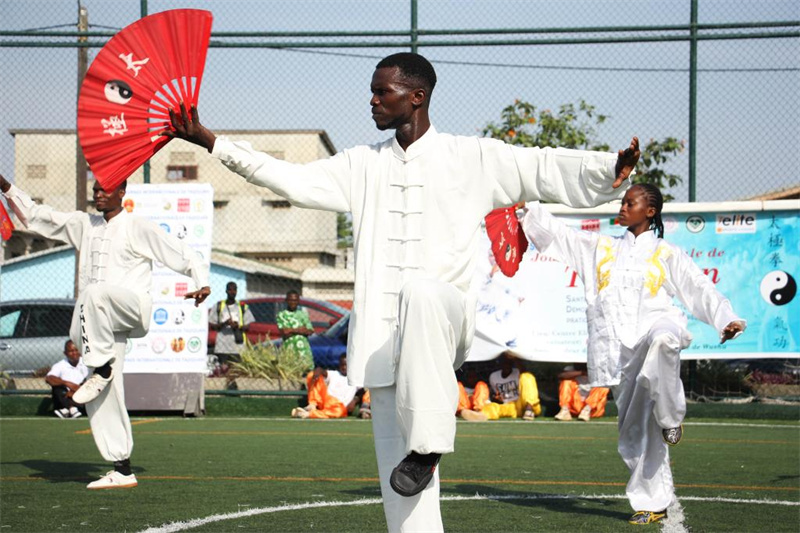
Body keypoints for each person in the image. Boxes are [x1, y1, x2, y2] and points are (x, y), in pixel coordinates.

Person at [164, 52, 639, 531]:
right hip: (382, 346)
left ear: (417, 97)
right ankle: (419, 460)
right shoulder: (361, 164)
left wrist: (606, 171)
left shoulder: (472, 157)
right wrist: (210, 141)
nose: (371, 101)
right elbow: (294, 180)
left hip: (443, 321)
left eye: (381, 91)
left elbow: (540, 167)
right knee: (404, 495)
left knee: (421, 292)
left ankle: (430, 443)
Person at [521, 183, 746, 525]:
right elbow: (560, 235)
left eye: (631, 202)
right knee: (634, 432)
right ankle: (652, 502)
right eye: (623, 202)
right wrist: (528, 207)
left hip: (656, 328)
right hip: (617, 353)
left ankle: (671, 418)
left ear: (650, 211)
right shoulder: (600, 248)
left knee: (664, 340)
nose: (623, 207)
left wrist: (725, 319)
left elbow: (698, 288)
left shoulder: (666, 254)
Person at [0, 175, 210, 490]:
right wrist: (4, 185)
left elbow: (178, 251)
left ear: (122, 193)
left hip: (133, 309)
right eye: (95, 189)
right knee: (103, 394)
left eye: (105, 189)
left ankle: (100, 366)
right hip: (101, 325)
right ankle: (122, 468)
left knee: (94, 293)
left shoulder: (137, 225)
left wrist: (200, 280)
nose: (97, 194)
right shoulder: (85, 225)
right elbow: (36, 216)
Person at [292, 354, 370, 419]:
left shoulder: (355, 379)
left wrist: (355, 400)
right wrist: (317, 371)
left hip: (339, 406)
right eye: (342, 365)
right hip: (326, 400)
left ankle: (307, 414)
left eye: (347, 365)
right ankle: (312, 405)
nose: (344, 367)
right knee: (312, 375)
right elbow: (321, 371)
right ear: (339, 365)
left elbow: (363, 391)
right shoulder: (334, 374)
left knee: (339, 412)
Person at [208, 281, 255, 369]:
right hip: (222, 346)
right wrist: (224, 324)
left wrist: (238, 326)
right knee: (223, 369)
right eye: (229, 290)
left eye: (234, 290)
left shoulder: (242, 307)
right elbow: (212, 325)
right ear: (226, 291)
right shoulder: (218, 306)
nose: (232, 292)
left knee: (236, 369)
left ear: (237, 291)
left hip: (238, 346)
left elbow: (248, 327)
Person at [483, 351, 541, 421]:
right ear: (500, 364)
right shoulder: (493, 376)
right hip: (511, 407)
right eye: (505, 363)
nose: (507, 365)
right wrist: (497, 399)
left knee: (527, 376)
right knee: (491, 407)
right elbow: (496, 395)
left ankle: (529, 410)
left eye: (509, 363)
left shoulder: (517, 371)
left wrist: (515, 358)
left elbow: (524, 373)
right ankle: (479, 416)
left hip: (526, 404)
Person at [45, 340, 89, 419]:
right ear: (65, 353)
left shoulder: (87, 363)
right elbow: (49, 378)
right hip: (65, 397)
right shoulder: (60, 365)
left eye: (76, 350)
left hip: (82, 396)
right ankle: (72, 409)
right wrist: (66, 383)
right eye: (71, 351)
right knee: (57, 387)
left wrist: (75, 391)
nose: (74, 353)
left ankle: (67, 410)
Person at [276, 290, 315, 372]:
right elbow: (284, 333)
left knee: (306, 372)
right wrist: (300, 330)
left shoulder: (303, 314)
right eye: (291, 300)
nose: (293, 302)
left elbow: (310, 331)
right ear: (286, 301)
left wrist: (291, 330)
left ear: (298, 301)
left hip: (303, 350)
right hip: (289, 350)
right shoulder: (281, 315)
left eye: (295, 300)